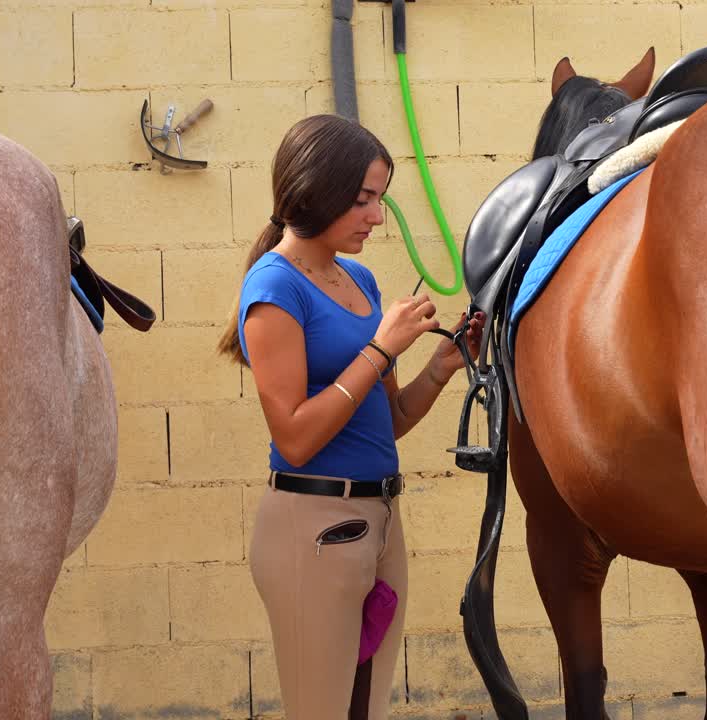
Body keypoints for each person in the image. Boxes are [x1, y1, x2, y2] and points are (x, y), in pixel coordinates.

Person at [216, 114, 482, 719]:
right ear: (316, 190)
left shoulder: (357, 278)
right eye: (364, 199)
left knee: (366, 711)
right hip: (313, 529)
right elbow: (296, 436)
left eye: (381, 199)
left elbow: (384, 424)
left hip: (381, 522)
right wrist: (381, 348)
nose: (377, 217)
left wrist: (441, 367)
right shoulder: (274, 287)